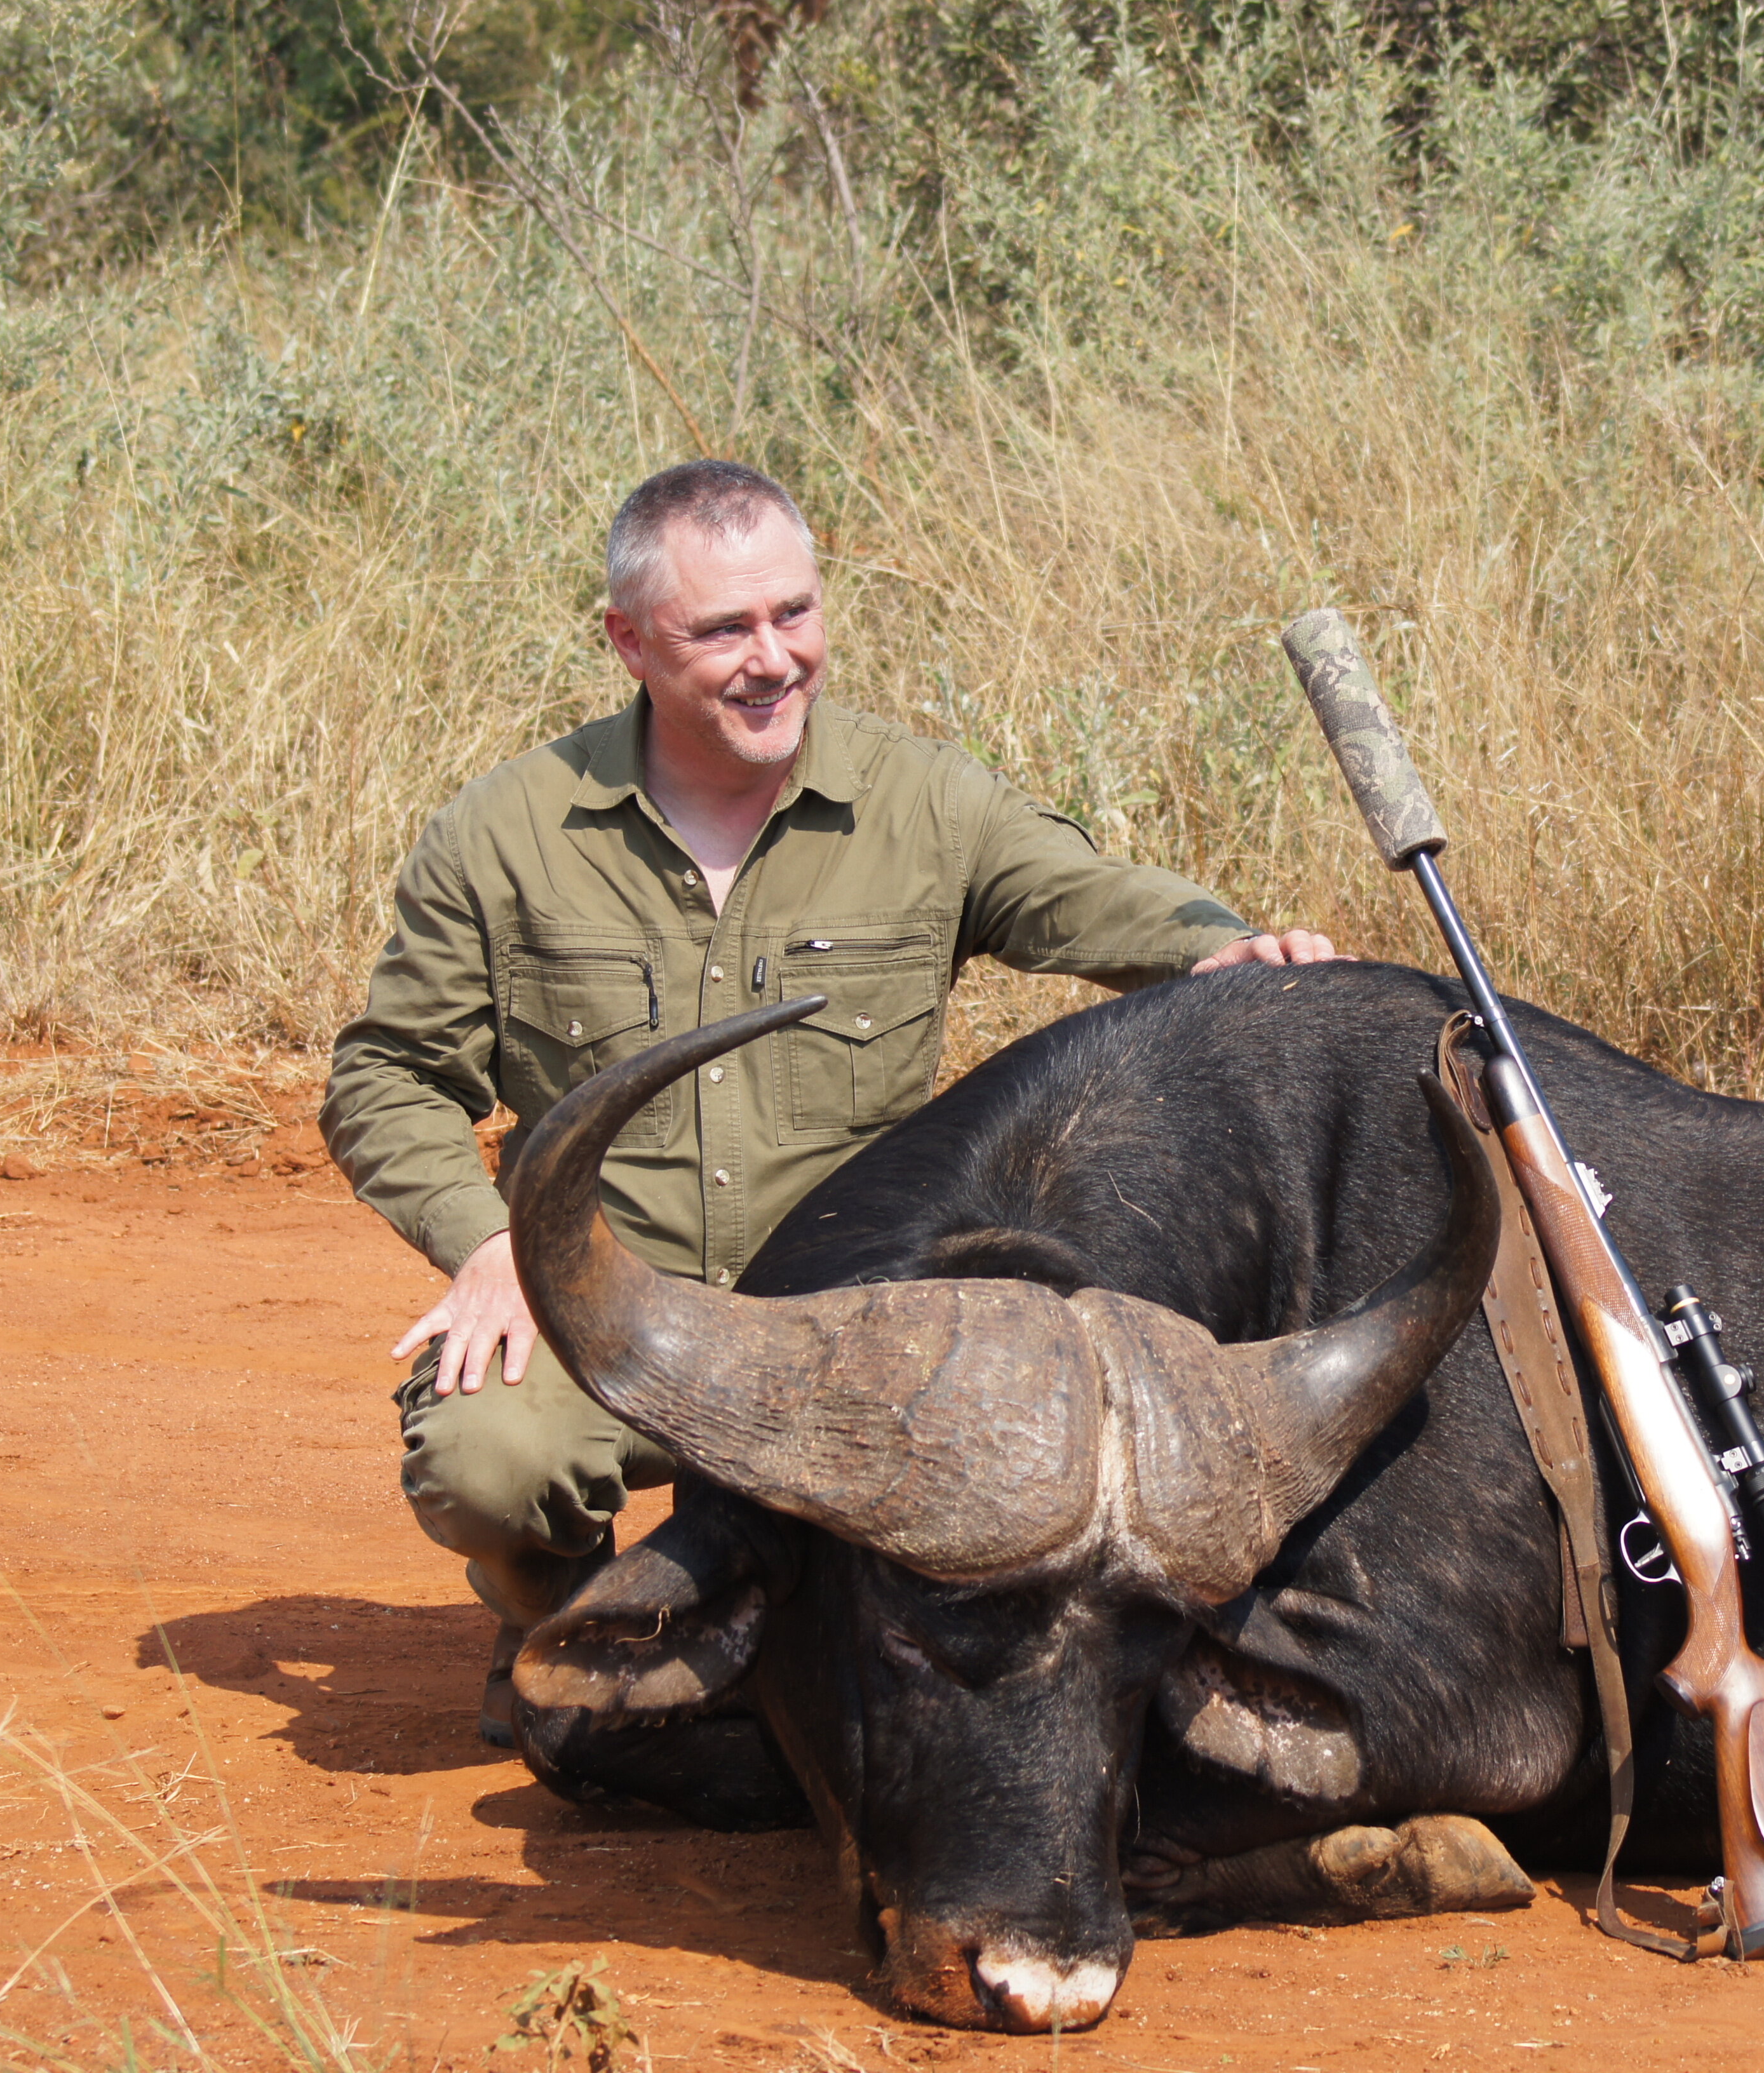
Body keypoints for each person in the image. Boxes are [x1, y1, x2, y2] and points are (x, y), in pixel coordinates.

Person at [323, 459, 1338, 1743]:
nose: (773, 659)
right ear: (626, 642)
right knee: (488, 1466)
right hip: (609, 1307)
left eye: (793, 614)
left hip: (854, 1325)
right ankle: (581, 1634)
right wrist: (490, 1249)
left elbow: (1085, 898)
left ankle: (808, 1658)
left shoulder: (920, 799)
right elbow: (384, 1074)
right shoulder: (504, 831)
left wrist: (1220, 950)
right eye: (723, 630)